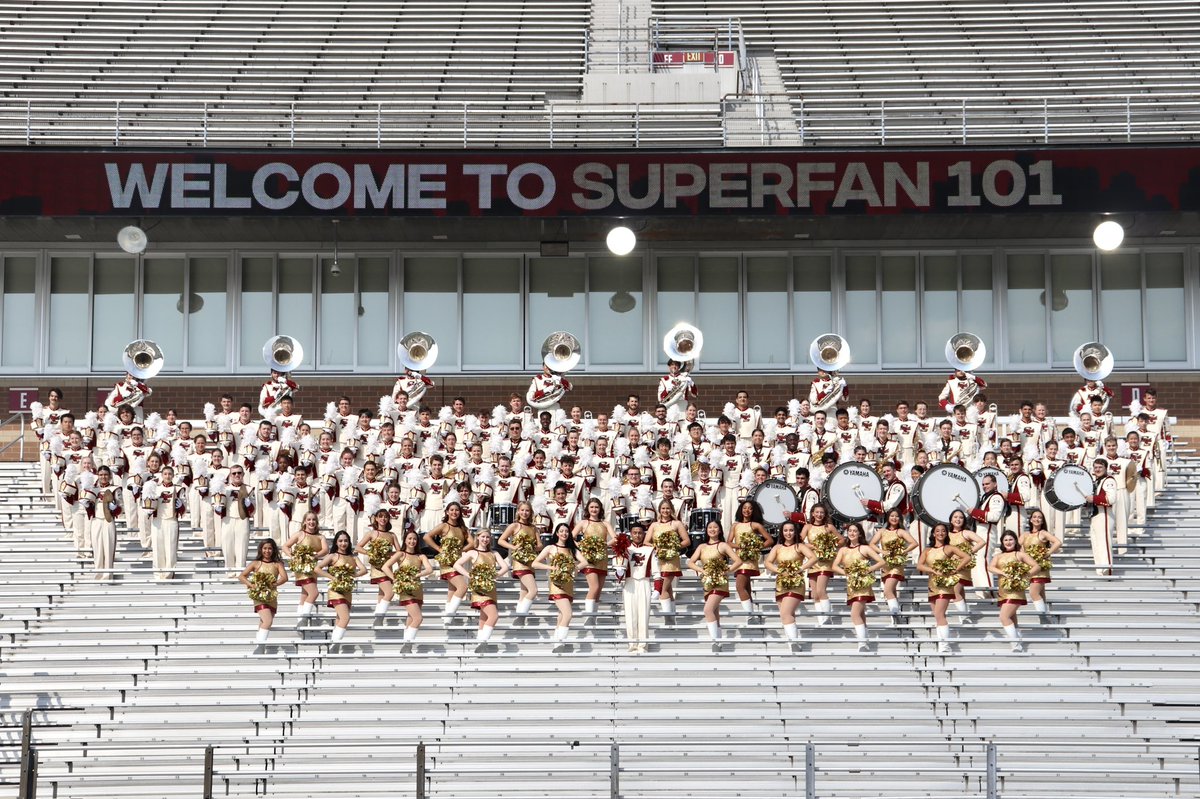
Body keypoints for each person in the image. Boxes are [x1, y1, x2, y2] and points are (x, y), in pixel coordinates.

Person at [531, 523, 587, 650]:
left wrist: (575, 568)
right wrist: (551, 567)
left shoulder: (572, 549)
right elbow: (535, 563)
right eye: (561, 531)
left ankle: (557, 642)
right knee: (568, 614)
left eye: (566, 531)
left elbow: (585, 561)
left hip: (568, 583)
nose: (564, 533)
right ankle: (560, 641)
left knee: (562, 614)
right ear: (556, 533)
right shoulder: (550, 548)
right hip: (556, 583)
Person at [687, 520, 741, 648]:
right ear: (706, 530)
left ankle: (715, 641)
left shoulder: (723, 545)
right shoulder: (702, 547)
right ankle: (719, 641)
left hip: (719, 582)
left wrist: (726, 571)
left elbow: (738, 561)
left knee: (708, 609)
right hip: (707, 582)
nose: (712, 529)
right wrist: (702, 570)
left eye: (715, 527)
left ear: (720, 530)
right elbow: (690, 562)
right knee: (714, 612)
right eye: (710, 527)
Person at [831, 523, 885, 652]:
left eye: (855, 531)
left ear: (860, 533)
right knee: (860, 613)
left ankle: (862, 643)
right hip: (851, 585)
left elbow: (882, 561)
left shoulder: (864, 548)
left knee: (854, 614)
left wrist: (868, 570)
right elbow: (834, 566)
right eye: (850, 531)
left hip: (863, 584)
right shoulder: (843, 550)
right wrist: (847, 573)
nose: (852, 533)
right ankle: (865, 639)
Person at [917, 523, 970, 654]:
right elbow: (919, 565)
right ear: (933, 533)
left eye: (943, 531)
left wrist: (955, 569)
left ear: (946, 533)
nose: (940, 533)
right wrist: (932, 570)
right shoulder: (927, 550)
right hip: (932, 585)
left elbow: (967, 557)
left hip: (945, 585)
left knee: (940, 614)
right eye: (937, 531)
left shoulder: (949, 548)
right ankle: (942, 642)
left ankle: (945, 645)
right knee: (937, 615)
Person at [454, 529, 510, 651]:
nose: (485, 539)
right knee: (494, 616)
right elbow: (456, 565)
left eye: (488, 537)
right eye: (483, 537)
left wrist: (496, 575)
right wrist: (469, 575)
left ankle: (481, 646)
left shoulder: (494, 553)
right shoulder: (472, 552)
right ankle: (482, 642)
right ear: (478, 537)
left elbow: (506, 567)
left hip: (491, 588)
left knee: (484, 617)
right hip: (479, 589)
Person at [764, 520, 817, 644]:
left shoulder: (800, 546)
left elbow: (814, 558)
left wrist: (801, 569)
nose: (788, 533)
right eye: (786, 530)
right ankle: (792, 643)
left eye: (791, 530)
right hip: (781, 584)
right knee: (787, 614)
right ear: (782, 532)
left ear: (795, 532)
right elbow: (767, 562)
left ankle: (793, 642)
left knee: (785, 613)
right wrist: (779, 570)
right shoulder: (777, 547)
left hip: (795, 583)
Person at [987, 530, 1039, 652]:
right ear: (1002, 542)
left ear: (1015, 541)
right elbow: (990, 567)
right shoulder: (998, 556)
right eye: (1005, 540)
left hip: (1015, 590)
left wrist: (1024, 575)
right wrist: (1002, 572)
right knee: (1011, 616)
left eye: (1011, 539)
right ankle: (1018, 637)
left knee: (1004, 617)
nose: (1008, 542)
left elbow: (1036, 566)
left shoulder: (1020, 554)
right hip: (1003, 591)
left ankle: (1015, 643)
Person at [382, 530, 434, 647]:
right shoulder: (401, 554)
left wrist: (418, 574)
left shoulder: (421, 556)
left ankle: (407, 647)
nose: (412, 541)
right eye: (409, 538)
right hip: (405, 589)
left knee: (411, 618)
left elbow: (429, 569)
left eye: (414, 539)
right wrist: (395, 579)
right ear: (405, 540)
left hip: (417, 589)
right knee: (418, 618)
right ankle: (407, 644)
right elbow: (385, 567)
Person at [423, 502, 474, 620]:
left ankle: (447, 620)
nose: (454, 512)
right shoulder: (444, 526)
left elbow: (472, 543)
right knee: (463, 587)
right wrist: (439, 549)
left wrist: (461, 549)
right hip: (447, 562)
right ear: (447, 512)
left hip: (458, 561)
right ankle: (449, 615)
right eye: (451, 510)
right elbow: (426, 537)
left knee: (452, 590)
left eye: (457, 510)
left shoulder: (463, 528)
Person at [316, 531, 366, 645]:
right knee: (345, 618)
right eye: (340, 541)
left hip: (347, 591)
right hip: (336, 591)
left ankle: (333, 645)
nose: (343, 543)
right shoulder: (332, 556)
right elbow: (317, 568)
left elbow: (364, 570)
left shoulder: (353, 557)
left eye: (346, 541)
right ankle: (334, 644)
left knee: (339, 619)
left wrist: (352, 575)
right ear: (336, 542)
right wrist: (333, 578)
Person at [869, 509, 918, 623]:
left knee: (887, 591)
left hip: (896, 565)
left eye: (896, 516)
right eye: (892, 516)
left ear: (899, 518)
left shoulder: (901, 531)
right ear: (888, 517)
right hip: (885, 564)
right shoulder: (882, 531)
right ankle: (896, 618)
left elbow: (914, 543)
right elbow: (872, 544)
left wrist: (903, 552)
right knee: (892, 591)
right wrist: (882, 551)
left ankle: (895, 613)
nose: (894, 518)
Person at [727, 499, 774, 617]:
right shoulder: (735, 525)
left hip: (749, 560)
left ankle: (750, 614)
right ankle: (751, 615)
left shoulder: (756, 525)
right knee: (746, 588)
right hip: (738, 559)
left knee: (739, 587)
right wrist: (740, 546)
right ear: (741, 510)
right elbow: (729, 542)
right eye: (744, 508)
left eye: (750, 508)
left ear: (753, 511)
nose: (747, 510)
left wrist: (755, 547)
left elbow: (769, 540)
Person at [240, 538, 288, 650]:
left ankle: (259, 648)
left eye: (270, 548)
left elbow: (285, 578)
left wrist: (274, 584)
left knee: (264, 622)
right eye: (265, 548)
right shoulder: (256, 563)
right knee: (268, 621)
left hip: (271, 596)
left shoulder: (277, 564)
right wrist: (251, 585)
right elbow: (242, 576)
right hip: (260, 596)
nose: (267, 551)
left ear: (273, 550)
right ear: (261, 549)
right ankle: (260, 647)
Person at [282, 511, 328, 628]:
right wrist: (292, 556)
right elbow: (285, 546)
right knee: (314, 593)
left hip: (313, 568)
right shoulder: (300, 534)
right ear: (304, 522)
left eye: (314, 520)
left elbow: (325, 550)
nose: (311, 522)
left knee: (305, 594)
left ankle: (300, 622)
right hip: (302, 568)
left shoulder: (320, 537)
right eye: (309, 520)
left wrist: (315, 555)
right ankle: (304, 619)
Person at [801, 503, 844, 626]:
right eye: (817, 512)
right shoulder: (807, 527)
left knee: (821, 591)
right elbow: (799, 541)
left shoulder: (829, 527)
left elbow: (841, 540)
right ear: (812, 513)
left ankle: (827, 616)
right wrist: (811, 546)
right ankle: (822, 620)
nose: (819, 515)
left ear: (825, 514)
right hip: (813, 562)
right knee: (815, 594)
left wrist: (830, 545)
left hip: (825, 562)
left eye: (822, 512)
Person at [572, 497, 615, 616]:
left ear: (600, 509)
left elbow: (615, 538)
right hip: (589, 559)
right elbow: (570, 538)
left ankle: (593, 617)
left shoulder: (605, 524)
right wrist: (581, 546)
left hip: (602, 559)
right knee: (594, 587)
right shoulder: (583, 523)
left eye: (596, 507)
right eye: (591, 507)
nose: (594, 509)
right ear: (587, 509)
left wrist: (605, 545)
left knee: (598, 590)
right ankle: (588, 616)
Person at [497, 500, 541, 620]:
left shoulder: (533, 528)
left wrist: (531, 547)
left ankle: (519, 621)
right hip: (519, 562)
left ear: (530, 512)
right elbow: (501, 540)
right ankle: (520, 616)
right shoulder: (514, 526)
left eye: (527, 510)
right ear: (518, 511)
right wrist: (514, 547)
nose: (524, 513)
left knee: (524, 592)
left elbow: (540, 545)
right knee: (533, 591)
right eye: (522, 510)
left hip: (530, 561)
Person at [646, 500, 689, 618]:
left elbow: (686, 541)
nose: (665, 511)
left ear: (672, 510)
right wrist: (656, 547)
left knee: (662, 589)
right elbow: (646, 541)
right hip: (658, 559)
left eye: (668, 508)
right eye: (663, 508)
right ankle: (672, 619)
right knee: (668, 590)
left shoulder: (677, 523)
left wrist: (672, 546)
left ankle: (668, 620)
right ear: (659, 510)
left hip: (671, 560)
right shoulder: (654, 525)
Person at [356, 508, 400, 622]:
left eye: (385, 517)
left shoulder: (392, 535)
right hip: (377, 568)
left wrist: (389, 554)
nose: (383, 519)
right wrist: (370, 553)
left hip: (388, 567)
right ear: (376, 518)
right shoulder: (372, 533)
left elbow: (399, 552)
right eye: (380, 516)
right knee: (390, 592)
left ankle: (378, 621)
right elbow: (358, 547)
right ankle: (378, 616)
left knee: (382, 594)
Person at [621, 521, 655, 653]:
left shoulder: (650, 549)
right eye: (634, 533)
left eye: (640, 533)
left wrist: (657, 588)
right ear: (631, 534)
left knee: (644, 615)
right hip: (629, 583)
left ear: (644, 534)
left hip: (644, 582)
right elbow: (619, 570)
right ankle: (632, 644)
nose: (637, 535)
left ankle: (643, 645)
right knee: (630, 615)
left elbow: (656, 570)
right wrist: (619, 572)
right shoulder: (625, 549)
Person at [1021, 509, 1061, 617]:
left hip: (1040, 568)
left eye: (1039, 517)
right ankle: (1046, 615)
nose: (1037, 519)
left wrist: (1047, 553)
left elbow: (1058, 542)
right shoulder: (1025, 534)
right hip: (1030, 567)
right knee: (1041, 594)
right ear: (1030, 519)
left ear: (1042, 521)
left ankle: (1042, 616)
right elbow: (1017, 546)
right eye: (1034, 517)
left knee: (1033, 593)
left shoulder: (1043, 533)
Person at [218, 463, 255, 578]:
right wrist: (218, 508)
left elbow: (253, 510)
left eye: (239, 473)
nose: (237, 475)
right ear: (230, 475)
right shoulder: (224, 489)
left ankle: (240, 572)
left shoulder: (249, 489)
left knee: (242, 547)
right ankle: (229, 572)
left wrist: (249, 505)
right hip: (228, 519)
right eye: (234, 473)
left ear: (243, 474)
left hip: (242, 519)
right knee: (227, 546)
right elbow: (218, 505)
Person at [947, 509, 985, 620]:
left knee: (954, 591)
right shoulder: (946, 534)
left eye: (961, 517)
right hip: (950, 567)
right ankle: (964, 616)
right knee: (959, 591)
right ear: (951, 520)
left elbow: (982, 542)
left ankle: (964, 616)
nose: (958, 519)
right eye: (955, 517)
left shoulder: (966, 533)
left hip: (962, 567)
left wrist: (967, 553)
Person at [90, 466, 123, 581]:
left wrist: (114, 508)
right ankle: (98, 574)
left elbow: (121, 508)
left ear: (109, 476)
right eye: (101, 475)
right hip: (96, 520)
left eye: (105, 474)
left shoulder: (115, 489)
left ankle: (108, 575)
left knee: (108, 548)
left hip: (108, 520)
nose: (103, 477)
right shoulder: (93, 489)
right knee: (97, 548)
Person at [1088, 458, 1118, 576]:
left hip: (1104, 514)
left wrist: (1093, 499)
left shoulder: (1109, 480)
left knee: (1104, 543)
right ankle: (1100, 570)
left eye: (1100, 467)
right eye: (1096, 467)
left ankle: (1108, 570)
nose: (1098, 469)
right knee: (1096, 543)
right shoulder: (1097, 481)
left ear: (1106, 468)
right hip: (1095, 515)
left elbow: (1111, 499)